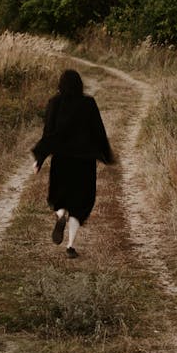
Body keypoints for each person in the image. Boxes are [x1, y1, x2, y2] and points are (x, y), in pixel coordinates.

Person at [32, 69, 114, 258]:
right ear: (80, 85)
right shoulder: (89, 103)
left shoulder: (55, 103)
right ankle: (70, 246)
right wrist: (106, 155)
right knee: (80, 203)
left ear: (60, 85)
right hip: (84, 163)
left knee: (61, 197)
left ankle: (60, 215)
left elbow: (49, 134)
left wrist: (39, 159)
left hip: (61, 161)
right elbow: (98, 131)